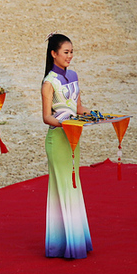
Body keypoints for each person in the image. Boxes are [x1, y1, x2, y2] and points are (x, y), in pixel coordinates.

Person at [41, 34, 92, 258]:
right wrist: (66, 123)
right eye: (65, 52)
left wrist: (96, 116)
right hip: (58, 138)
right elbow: (46, 117)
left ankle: (74, 239)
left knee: (74, 184)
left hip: (73, 137)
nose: (70, 56)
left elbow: (79, 108)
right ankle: (63, 243)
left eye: (71, 52)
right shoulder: (48, 82)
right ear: (54, 54)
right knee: (62, 186)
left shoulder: (73, 75)